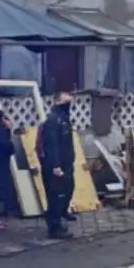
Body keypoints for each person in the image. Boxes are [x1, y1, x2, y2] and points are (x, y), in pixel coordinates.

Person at [40, 92, 77, 238]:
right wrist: (55, 165)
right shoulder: (53, 120)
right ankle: (54, 227)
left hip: (67, 162)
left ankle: (62, 213)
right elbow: (52, 144)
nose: (68, 105)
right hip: (56, 165)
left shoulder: (64, 118)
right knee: (56, 196)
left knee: (68, 189)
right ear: (57, 102)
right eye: (65, 102)